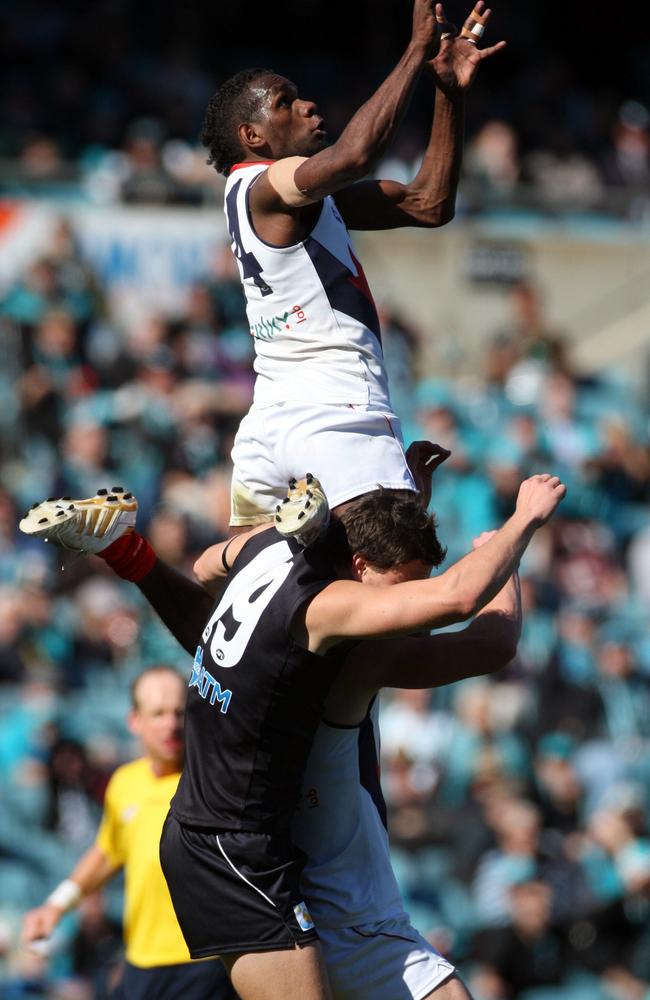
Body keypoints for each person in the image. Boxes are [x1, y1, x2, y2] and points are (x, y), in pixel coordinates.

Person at [20, 464, 564, 1000]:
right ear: (356, 564)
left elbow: (210, 567)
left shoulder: (265, 554)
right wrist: (518, 528)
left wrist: (135, 556)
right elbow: (470, 616)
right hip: (236, 851)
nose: (408, 610)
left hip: (234, 841)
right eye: (403, 589)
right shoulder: (340, 627)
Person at [199, 0, 506, 534]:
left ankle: (132, 555)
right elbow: (357, 155)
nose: (309, 105)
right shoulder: (266, 183)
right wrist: (415, 50)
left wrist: (448, 96)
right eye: (286, 103)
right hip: (339, 412)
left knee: (255, 588)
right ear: (252, 136)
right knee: (394, 583)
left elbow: (428, 203)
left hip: (271, 424)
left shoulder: (297, 202)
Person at [21, 665, 235, 1000]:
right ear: (134, 721)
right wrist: (56, 906)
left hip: (205, 961)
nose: (170, 724)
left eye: (179, 712)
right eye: (158, 713)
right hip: (141, 961)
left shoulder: (213, 783)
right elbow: (109, 850)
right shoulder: (125, 783)